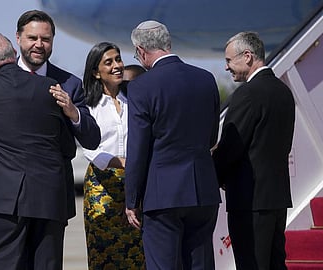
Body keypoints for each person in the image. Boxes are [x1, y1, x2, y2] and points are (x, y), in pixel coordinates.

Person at [0, 33, 73, 270]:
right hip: (49, 199)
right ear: (14, 55)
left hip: (2, 202)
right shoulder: (49, 87)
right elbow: (67, 146)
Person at [124, 20, 221, 269]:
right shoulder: (206, 79)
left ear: (142, 51)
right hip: (202, 190)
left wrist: (132, 199)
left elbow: (138, 149)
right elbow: (212, 138)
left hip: (162, 195)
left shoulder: (141, 86)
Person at [212, 31, 295, 269]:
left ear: (247, 56)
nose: (227, 67)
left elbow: (230, 147)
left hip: (250, 200)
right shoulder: (283, 91)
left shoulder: (248, 94)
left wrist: (216, 174)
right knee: (275, 263)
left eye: (229, 60)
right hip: (277, 198)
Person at [16, 10, 101, 221]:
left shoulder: (69, 84)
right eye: (32, 38)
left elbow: (91, 138)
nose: (39, 44)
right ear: (18, 38)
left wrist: (73, 112)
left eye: (45, 39)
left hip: (51, 197)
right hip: (7, 198)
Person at [81, 42, 145, 269]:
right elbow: (91, 150)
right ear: (96, 73)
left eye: (118, 59)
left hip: (135, 185)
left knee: (137, 253)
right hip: (102, 188)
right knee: (105, 255)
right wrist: (125, 163)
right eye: (109, 62)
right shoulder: (89, 105)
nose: (117, 65)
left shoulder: (135, 101)